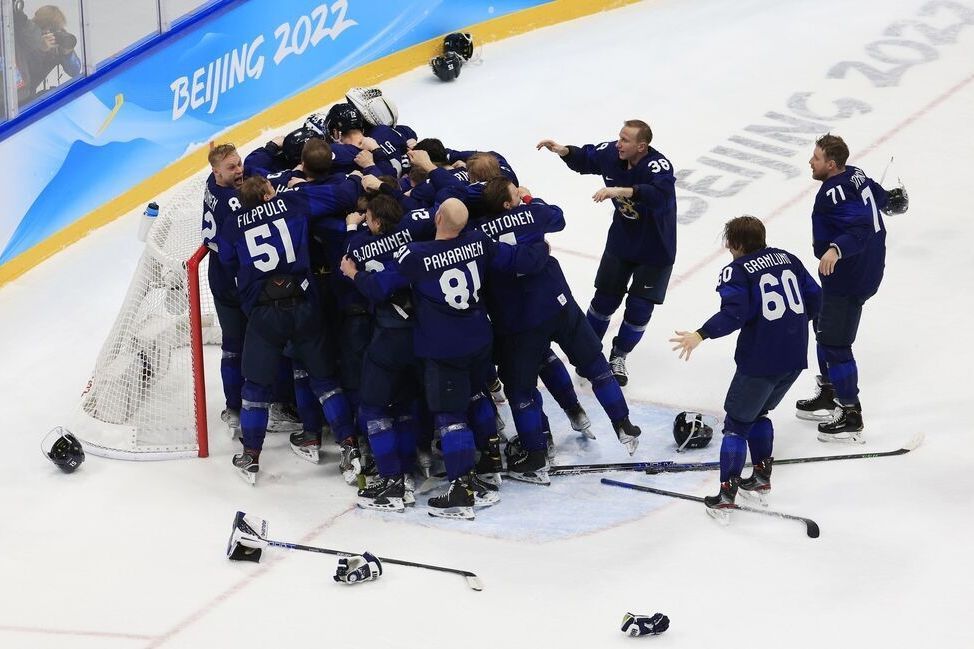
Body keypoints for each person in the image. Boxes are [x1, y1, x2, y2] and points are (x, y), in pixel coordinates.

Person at [340, 198, 549, 519]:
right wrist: (541, 249)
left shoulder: (417, 255)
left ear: (437, 217)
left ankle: (450, 488)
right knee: (476, 395)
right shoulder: (478, 241)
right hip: (479, 337)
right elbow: (516, 258)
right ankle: (489, 462)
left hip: (441, 345)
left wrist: (353, 274)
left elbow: (380, 285)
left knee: (445, 417)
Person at [214, 167, 375, 484]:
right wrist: (357, 178)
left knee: (256, 389)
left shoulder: (232, 225)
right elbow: (340, 195)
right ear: (266, 195)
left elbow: (229, 262)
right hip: (304, 305)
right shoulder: (294, 203)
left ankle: (251, 456)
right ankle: (348, 446)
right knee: (325, 380)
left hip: (264, 314)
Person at [670, 216, 820, 516]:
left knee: (737, 426)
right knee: (760, 412)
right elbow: (816, 297)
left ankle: (726, 496)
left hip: (760, 360)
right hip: (794, 357)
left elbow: (734, 314)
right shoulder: (787, 258)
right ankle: (762, 477)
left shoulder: (737, 271)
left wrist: (701, 334)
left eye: (729, 242)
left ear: (736, 244)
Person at [537, 120, 676, 386]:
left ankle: (619, 356)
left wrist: (620, 190)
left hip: (656, 248)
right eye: (619, 137)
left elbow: (661, 196)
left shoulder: (657, 166)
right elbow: (588, 158)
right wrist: (564, 151)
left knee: (639, 307)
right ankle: (587, 351)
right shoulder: (613, 154)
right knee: (604, 300)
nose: (618, 143)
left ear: (642, 146)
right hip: (622, 241)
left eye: (625, 140)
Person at [795, 134, 908, 442]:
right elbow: (872, 192)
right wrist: (889, 200)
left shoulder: (833, 193)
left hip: (849, 276)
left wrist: (835, 249)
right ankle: (830, 391)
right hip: (861, 270)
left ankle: (850, 413)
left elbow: (858, 228)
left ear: (831, 165)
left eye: (816, 158)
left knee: (835, 343)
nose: (810, 161)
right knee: (821, 322)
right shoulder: (853, 173)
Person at [13, 3, 81, 105]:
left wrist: (68, 54)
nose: (50, 34)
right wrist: (40, 48)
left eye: (56, 30)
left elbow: (75, 71)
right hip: (17, 96)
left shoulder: (57, 40)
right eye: (45, 29)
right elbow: (25, 72)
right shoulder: (23, 37)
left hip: (29, 95)